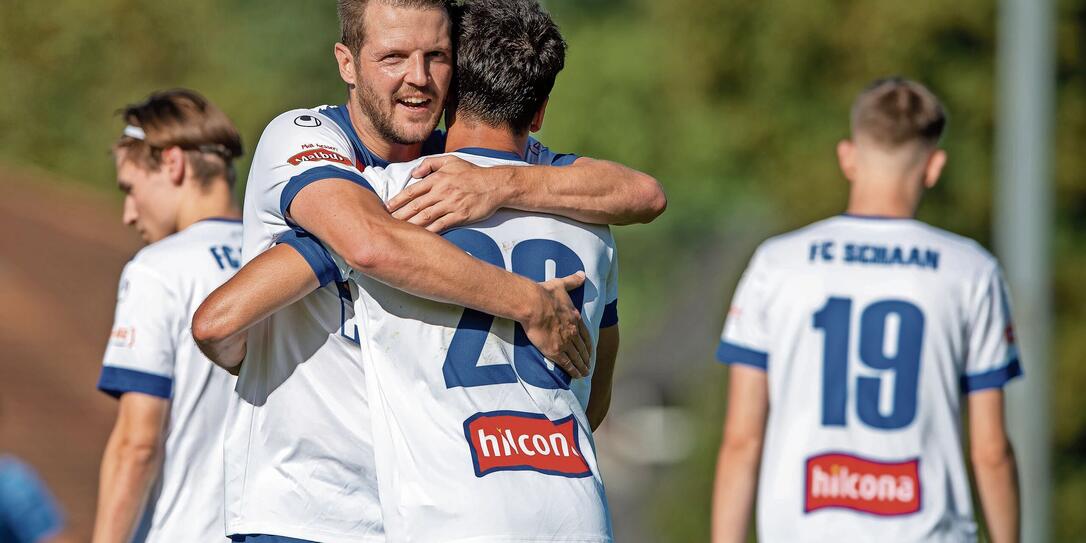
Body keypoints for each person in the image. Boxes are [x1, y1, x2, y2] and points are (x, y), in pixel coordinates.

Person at [191, 0, 662, 541]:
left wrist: (502, 185)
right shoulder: (304, 138)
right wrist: (529, 302)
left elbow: (644, 193)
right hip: (310, 508)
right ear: (347, 63)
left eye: (435, 56)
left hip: (422, 510)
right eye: (393, 56)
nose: (417, 78)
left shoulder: (460, 164)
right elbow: (370, 244)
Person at [711, 78, 1022, 542]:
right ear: (934, 166)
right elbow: (991, 451)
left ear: (848, 157)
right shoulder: (971, 270)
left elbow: (741, 439)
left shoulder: (776, 263)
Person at [91, 89, 244, 543]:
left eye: (131, 189)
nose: (128, 213)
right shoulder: (283, 259)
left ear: (173, 164)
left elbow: (138, 444)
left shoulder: (157, 269)